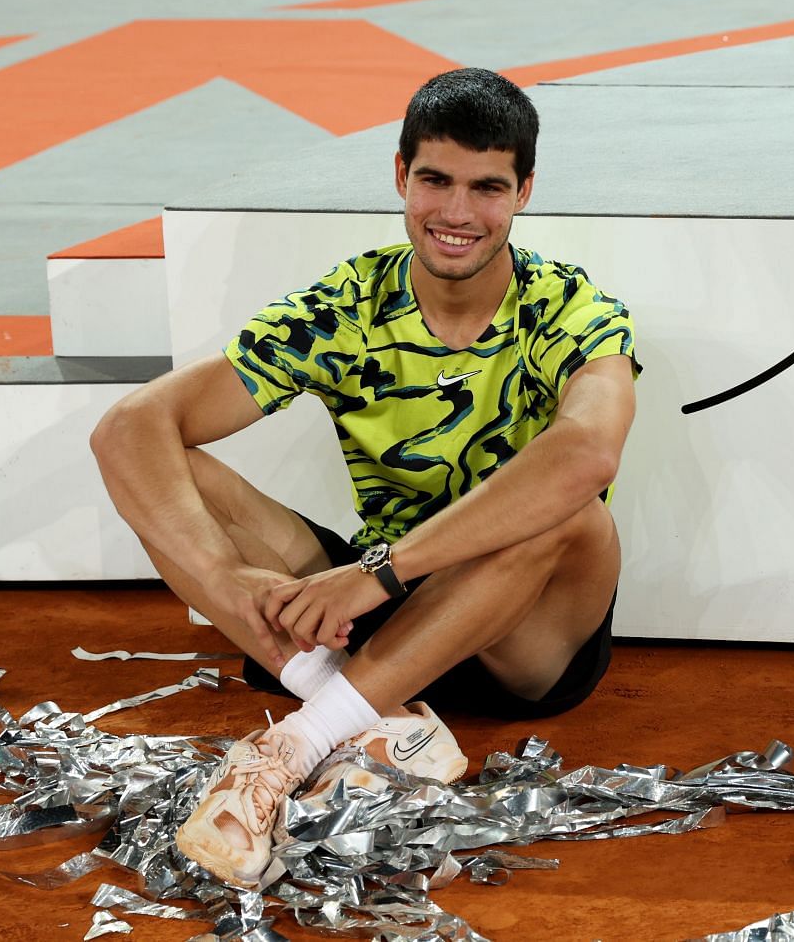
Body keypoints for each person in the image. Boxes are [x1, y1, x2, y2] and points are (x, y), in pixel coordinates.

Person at [90, 68, 637, 887]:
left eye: (487, 187)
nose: (457, 213)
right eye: (435, 180)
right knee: (170, 472)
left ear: (523, 191)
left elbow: (588, 455)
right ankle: (375, 716)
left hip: (517, 633)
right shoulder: (348, 304)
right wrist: (222, 577)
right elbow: (130, 427)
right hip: (369, 614)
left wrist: (380, 572)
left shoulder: (571, 308)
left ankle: (297, 741)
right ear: (399, 175)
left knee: (571, 510)